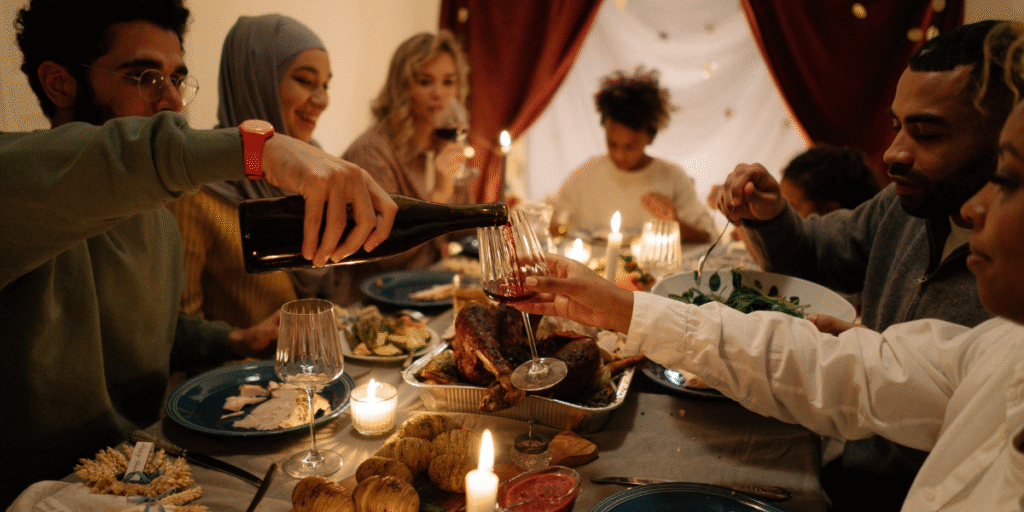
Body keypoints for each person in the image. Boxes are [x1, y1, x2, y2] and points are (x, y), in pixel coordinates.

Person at [514, 22, 1024, 509]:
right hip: (851, 464)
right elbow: (846, 367)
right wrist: (626, 308)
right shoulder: (999, 347)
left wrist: (631, 311)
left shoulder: (1001, 324)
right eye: (896, 127)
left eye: (1007, 178)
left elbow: (850, 371)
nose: (892, 152)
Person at [0, 0, 396, 505]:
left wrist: (236, 340)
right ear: (60, 83)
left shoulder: (155, 223)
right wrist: (261, 149)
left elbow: (155, 329)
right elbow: (126, 154)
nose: (170, 101)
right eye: (142, 75)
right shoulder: (15, 187)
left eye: (176, 78)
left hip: (142, 476)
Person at [713, 20, 1019, 511]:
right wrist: (772, 217)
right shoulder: (905, 206)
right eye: (898, 126)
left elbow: (979, 419)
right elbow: (814, 257)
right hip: (839, 464)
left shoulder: (1013, 282)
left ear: (1004, 142)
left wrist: (873, 361)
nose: (892, 153)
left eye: (926, 133)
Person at [167, 14, 335, 329]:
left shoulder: (316, 169)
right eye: (305, 80)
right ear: (255, 82)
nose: (322, 100)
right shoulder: (196, 193)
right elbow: (178, 334)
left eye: (325, 85)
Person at [337, 30, 472, 304]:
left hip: (427, 291)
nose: (439, 94)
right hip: (373, 302)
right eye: (425, 82)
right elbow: (384, 254)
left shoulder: (443, 145)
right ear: (402, 87)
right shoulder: (371, 153)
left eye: (449, 82)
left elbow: (464, 231)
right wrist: (439, 194)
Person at [551, 66, 715, 242]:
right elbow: (552, 219)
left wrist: (673, 222)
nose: (619, 155)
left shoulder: (671, 177)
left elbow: (708, 236)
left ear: (650, 137)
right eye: (612, 143)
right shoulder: (588, 174)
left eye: (630, 147)